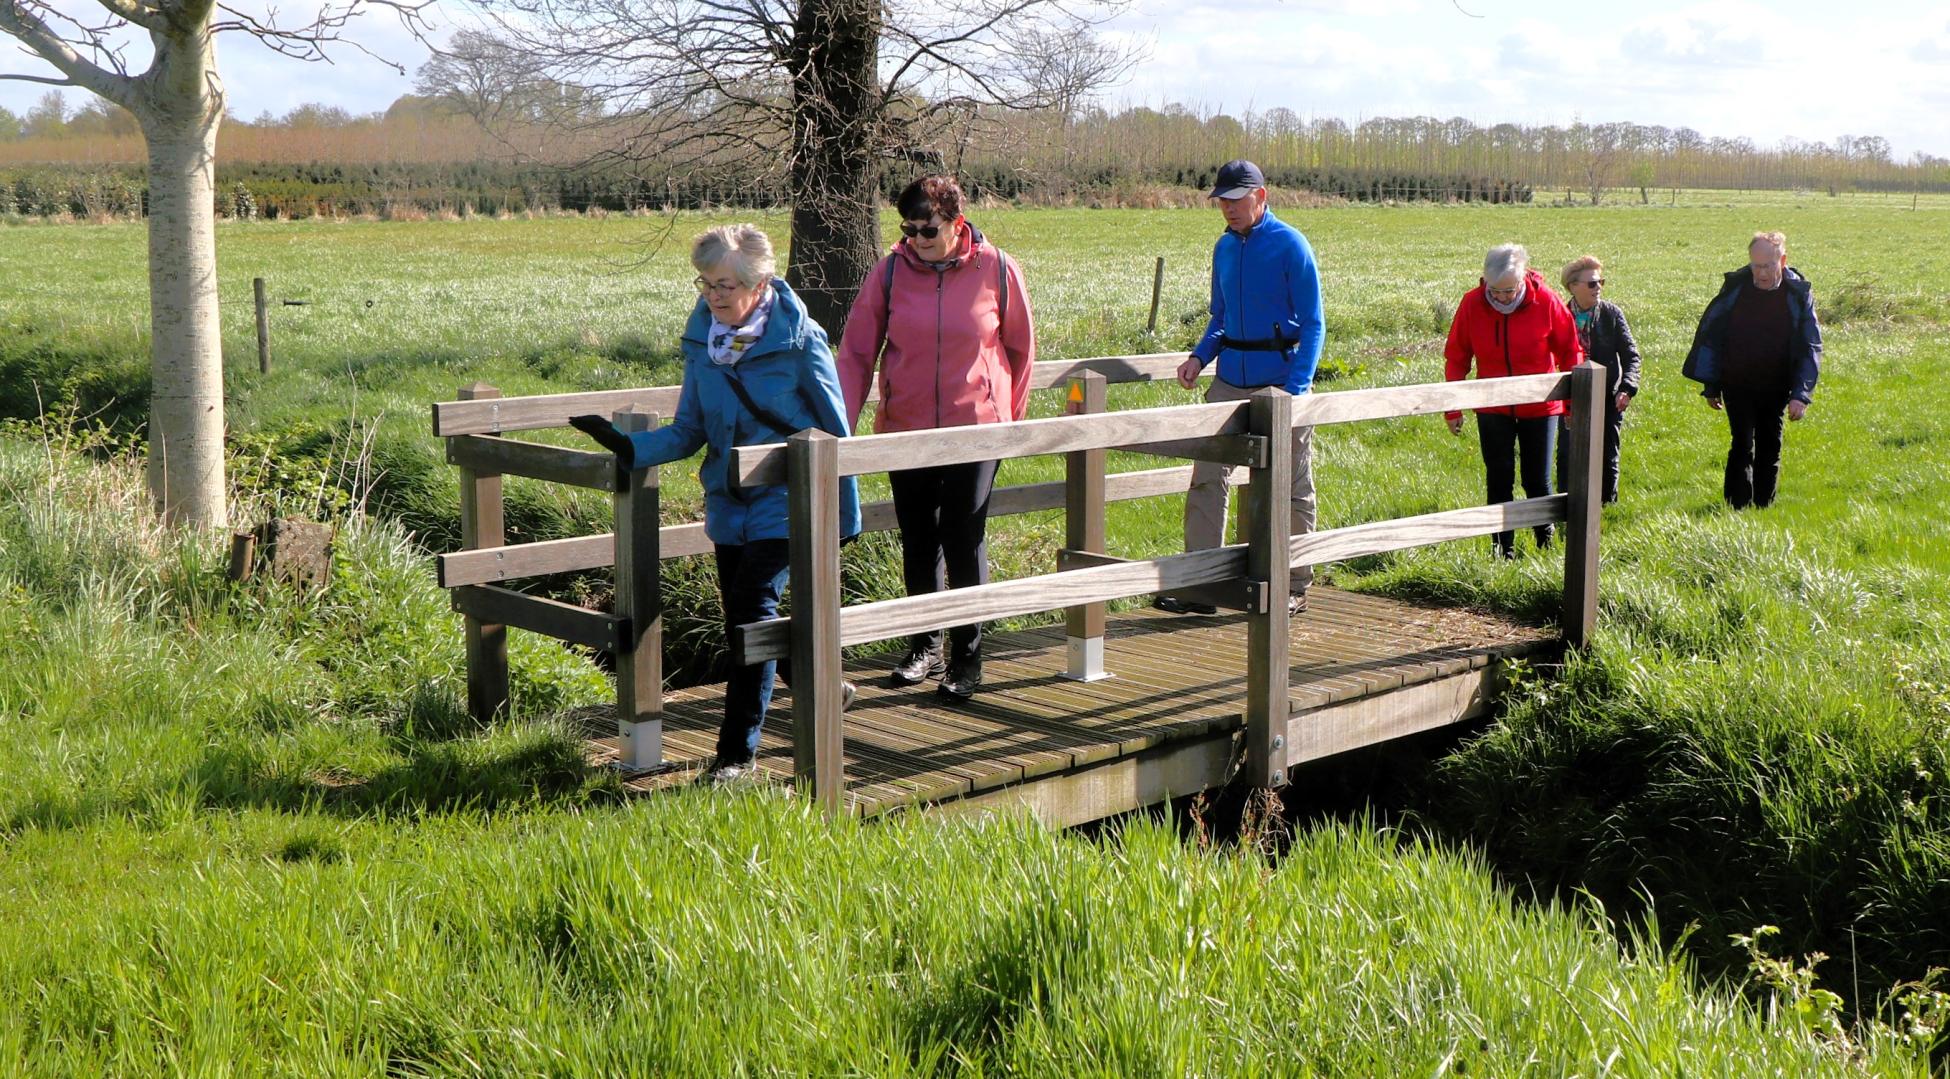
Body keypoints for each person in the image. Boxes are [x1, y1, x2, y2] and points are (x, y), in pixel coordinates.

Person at [569, 224, 862, 785]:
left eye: (725, 284)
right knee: (743, 624)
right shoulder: (704, 342)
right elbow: (689, 429)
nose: (714, 296)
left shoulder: (801, 343)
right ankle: (821, 682)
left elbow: (835, 436)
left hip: (790, 504)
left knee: (752, 612)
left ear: (759, 282)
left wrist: (839, 512)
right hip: (730, 507)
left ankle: (734, 757)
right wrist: (630, 445)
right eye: (705, 284)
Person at [836, 174, 1035, 700]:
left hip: (976, 430)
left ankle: (968, 657)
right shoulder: (890, 273)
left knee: (964, 537)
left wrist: (1007, 425)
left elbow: (1020, 349)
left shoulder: (997, 269)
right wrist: (841, 426)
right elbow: (856, 353)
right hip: (908, 427)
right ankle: (924, 643)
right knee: (919, 539)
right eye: (908, 228)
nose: (916, 238)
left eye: (927, 229)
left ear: (957, 222)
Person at [1156, 159, 1324, 617]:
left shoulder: (1291, 245)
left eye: (1236, 199)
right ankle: (1202, 583)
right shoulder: (1224, 249)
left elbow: (1314, 323)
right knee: (1207, 477)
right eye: (1222, 201)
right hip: (1229, 381)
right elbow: (1220, 318)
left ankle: (1293, 583)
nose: (1228, 208)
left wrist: (1296, 387)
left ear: (1260, 197)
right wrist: (1198, 357)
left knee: (1290, 484)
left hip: (1281, 384)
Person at [1442, 243, 1582, 559]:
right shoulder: (1472, 304)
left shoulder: (1545, 300)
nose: (1503, 297)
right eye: (1496, 290)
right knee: (1499, 476)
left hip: (1541, 405)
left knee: (1537, 479)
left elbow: (1569, 351)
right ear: (1485, 281)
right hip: (1492, 406)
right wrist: (1453, 407)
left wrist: (1571, 405)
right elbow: (1457, 357)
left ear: (1522, 280)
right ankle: (1501, 549)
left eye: (1509, 290)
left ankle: (1546, 544)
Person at [1681, 231, 1822, 509]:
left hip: (1777, 384)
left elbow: (1810, 345)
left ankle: (1763, 507)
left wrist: (1801, 394)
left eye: (1768, 265)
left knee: (1770, 444)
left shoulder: (1797, 295)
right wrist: (1711, 384)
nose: (1761, 273)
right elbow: (1714, 336)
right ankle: (1736, 507)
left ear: (1782, 260)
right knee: (1742, 442)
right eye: (1756, 266)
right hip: (1737, 381)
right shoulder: (1736, 289)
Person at [1554, 255, 1642, 504]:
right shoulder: (1559, 315)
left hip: (1608, 397)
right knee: (1568, 454)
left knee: (1607, 453)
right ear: (1572, 286)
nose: (1598, 287)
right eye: (1592, 283)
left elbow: (1632, 356)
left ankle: (1607, 506)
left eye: (1600, 281)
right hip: (1569, 398)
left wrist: (1627, 388)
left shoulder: (1611, 314)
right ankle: (1566, 506)